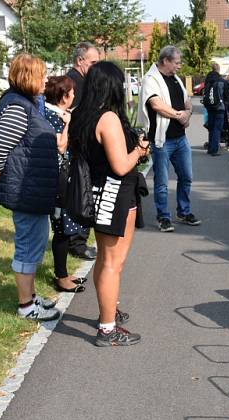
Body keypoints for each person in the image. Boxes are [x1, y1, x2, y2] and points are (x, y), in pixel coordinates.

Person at [70, 61, 149, 347]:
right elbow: (120, 165)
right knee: (113, 263)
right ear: (112, 86)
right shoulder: (108, 119)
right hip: (116, 195)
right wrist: (140, 149)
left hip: (97, 194)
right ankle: (107, 328)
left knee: (105, 259)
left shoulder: (80, 115)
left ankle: (108, 311)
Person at [0, 53, 60, 322]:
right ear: (29, 78)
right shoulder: (17, 107)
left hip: (32, 188)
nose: (46, 79)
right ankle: (26, 306)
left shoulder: (27, 103)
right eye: (42, 75)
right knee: (28, 244)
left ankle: (31, 295)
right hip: (24, 189)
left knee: (35, 241)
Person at [138, 45, 201, 233]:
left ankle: (184, 211)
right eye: (177, 62)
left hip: (180, 139)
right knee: (162, 182)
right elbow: (156, 104)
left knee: (186, 177)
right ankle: (163, 217)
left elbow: (187, 102)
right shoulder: (150, 79)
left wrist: (187, 114)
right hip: (162, 140)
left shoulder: (175, 80)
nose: (179, 66)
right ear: (165, 61)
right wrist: (178, 115)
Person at [43, 75, 88, 293]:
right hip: (57, 178)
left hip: (63, 175)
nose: (73, 96)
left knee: (65, 228)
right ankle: (61, 277)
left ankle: (63, 272)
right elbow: (60, 146)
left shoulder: (55, 112)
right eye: (71, 93)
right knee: (61, 227)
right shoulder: (52, 116)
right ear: (63, 96)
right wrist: (68, 125)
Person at [65, 42, 101, 260]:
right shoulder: (73, 83)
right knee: (81, 194)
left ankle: (77, 240)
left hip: (81, 147)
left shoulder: (83, 81)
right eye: (93, 62)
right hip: (77, 149)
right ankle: (77, 242)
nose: (96, 67)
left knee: (83, 193)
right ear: (80, 61)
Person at [203, 62, 226, 156]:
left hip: (209, 107)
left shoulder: (207, 80)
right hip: (219, 107)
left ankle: (210, 148)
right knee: (217, 129)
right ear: (218, 69)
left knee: (211, 128)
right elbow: (224, 92)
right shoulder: (220, 80)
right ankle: (214, 150)